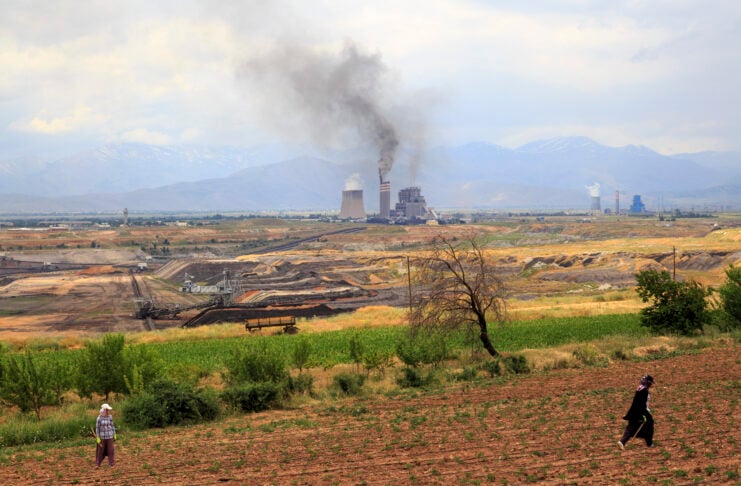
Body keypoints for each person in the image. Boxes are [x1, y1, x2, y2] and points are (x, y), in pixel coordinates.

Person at [618, 374, 655, 449]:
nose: (651, 384)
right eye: (650, 382)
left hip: (633, 412)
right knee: (649, 425)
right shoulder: (645, 391)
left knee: (632, 426)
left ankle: (622, 441)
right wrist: (644, 415)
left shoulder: (639, 388)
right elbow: (642, 404)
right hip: (640, 412)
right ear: (648, 383)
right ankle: (649, 443)